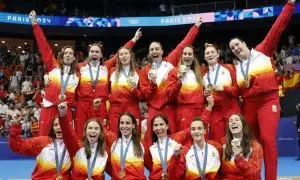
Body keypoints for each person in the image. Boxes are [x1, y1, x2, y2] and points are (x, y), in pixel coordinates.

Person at [228, 1, 295, 179]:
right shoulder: (237, 69)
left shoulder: (262, 51)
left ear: (244, 43)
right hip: (249, 105)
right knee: (251, 143)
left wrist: (289, 5)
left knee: (267, 139)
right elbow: (236, 91)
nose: (235, 49)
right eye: (232, 48)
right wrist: (222, 89)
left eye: (237, 45)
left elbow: (277, 28)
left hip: (268, 101)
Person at [142, 17, 202, 145]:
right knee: (151, 139)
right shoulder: (145, 70)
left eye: (157, 49)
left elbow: (183, 44)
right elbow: (145, 94)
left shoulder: (169, 62)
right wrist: (152, 85)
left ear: (162, 51)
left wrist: (196, 26)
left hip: (170, 107)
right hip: (153, 108)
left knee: (174, 137)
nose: (154, 51)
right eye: (152, 49)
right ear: (149, 53)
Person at [75, 28, 142, 139]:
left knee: (101, 135)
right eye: (92, 51)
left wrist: (134, 39)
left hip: (100, 105)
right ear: (88, 54)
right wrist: (47, 75)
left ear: (101, 55)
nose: (94, 54)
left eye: (97, 52)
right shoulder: (80, 67)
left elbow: (120, 54)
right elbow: (64, 71)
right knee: (81, 134)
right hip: (83, 105)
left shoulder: (105, 67)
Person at [29, 10, 79, 136]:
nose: (68, 55)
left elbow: (80, 97)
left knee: (66, 142)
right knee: (44, 140)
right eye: (65, 53)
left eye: (70, 53)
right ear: (61, 57)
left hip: (65, 110)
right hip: (49, 107)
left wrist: (70, 102)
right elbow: (43, 46)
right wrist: (34, 23)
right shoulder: (53, 67)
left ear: (74, 58)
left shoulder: (79, 75)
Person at [57, 102, 115, 179]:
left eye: (96, 128)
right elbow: (68, 134)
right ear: (85, 131)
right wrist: (63, 115)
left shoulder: (105, 151)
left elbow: (115, 172)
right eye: (90, 128)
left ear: (100, 132)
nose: (93, 131)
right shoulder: (77, 147)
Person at [9, 112, 71, 179]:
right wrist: (16, 125)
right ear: (52, 128)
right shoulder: (42, 142)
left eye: (61, 124)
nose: (58, 127)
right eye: (55, 125)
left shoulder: (74, 146)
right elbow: (17, 146)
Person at [166, 45, 214, 131]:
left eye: (189, 54)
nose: (187, 56)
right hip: (184, 111)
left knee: (202, 139)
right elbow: (170, 96)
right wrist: (179, 81)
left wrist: (211, 49)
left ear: (193, 57)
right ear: (181, 56)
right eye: (185, 54)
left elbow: (214, 66)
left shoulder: (200, 72)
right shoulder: (174, 72)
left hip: (200, 110)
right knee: (187, 139)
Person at [202, 43, 240, 142]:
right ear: (204, 57)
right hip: (215, 111)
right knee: (217, 142)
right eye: (207, 53)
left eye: (212, 52)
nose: (210, 55)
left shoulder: (230, 68)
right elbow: (201, 94)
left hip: (231, 108)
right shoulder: (202, 73)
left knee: (235, 140)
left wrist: (224, 88)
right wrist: (205, 94)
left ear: (218, 54)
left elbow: (238, 90)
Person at [108, 47, 144, 135]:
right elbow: (108, 91)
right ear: (118, 58)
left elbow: (142, 97)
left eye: (126, 54)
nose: (124, 56)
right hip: (115, 109)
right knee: (114, 136)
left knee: (134, 136)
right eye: (121, 54)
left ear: (131, 56)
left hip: (132, 107)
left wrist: (135, 89)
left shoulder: (138, 73)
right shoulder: (112, 73)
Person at [148, 114, 191, 180]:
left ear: (167, 126)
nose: (159, 128)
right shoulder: (151, 148)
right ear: (153, 128)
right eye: (156, 125)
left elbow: (194, 129)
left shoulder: (176, 139)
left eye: (161, 124)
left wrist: (207, 110)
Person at [221, 114, 263, 179]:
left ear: (243, 125)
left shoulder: (255, 146)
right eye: (230, 121)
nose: (233, 122)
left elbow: (254, 175)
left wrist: (239, 159)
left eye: (237, 120)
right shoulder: (223, 145)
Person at [110, 112, 146, 179]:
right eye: (122, 123)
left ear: (133, 125)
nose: (124, 126)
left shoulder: (142, 143)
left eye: (127, 123)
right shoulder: (113, 142)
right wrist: (96, 111)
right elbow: (100, 129)